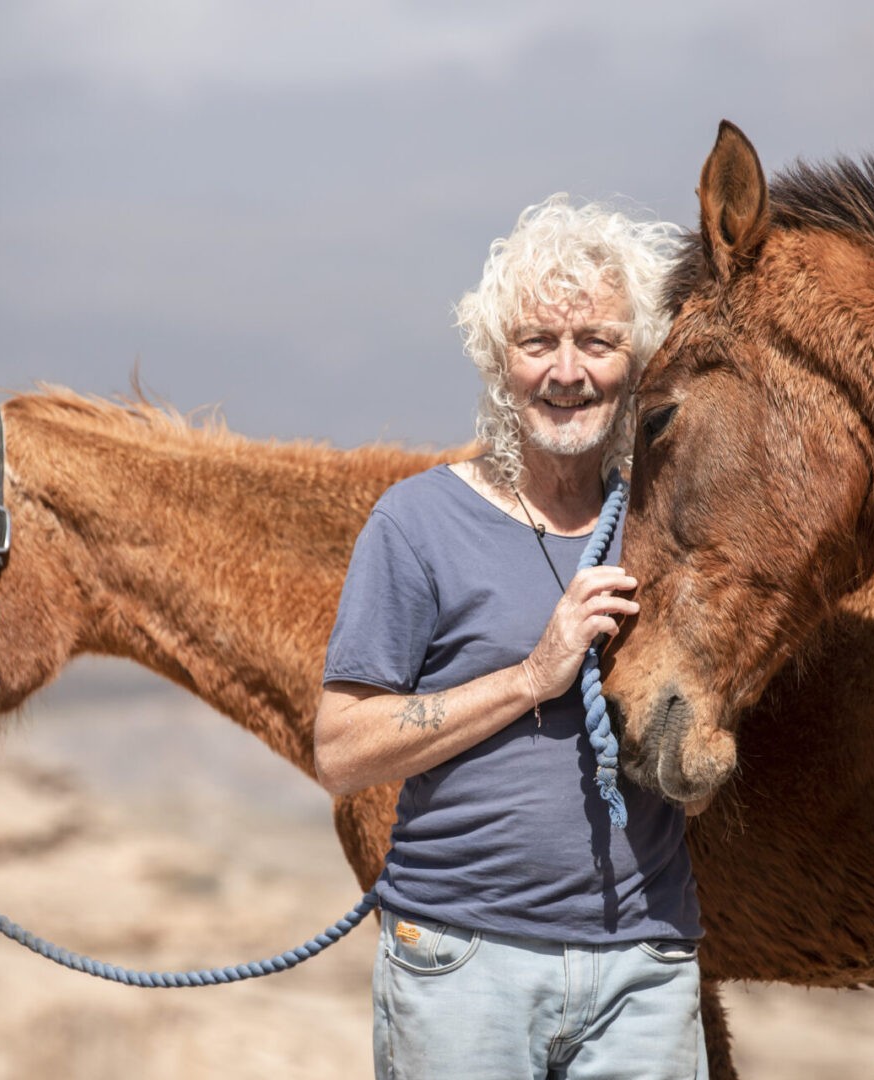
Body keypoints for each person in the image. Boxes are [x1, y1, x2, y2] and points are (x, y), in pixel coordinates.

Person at [315, 194, 704, 1080]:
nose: (568, 372)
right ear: (499, 360)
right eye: (539, 343)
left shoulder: (668, 524)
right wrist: (534, 673)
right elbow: (341, 750)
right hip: (461, 961)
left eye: (598, 343)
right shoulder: (416, 523)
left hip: (644, 970)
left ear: (638, 360)